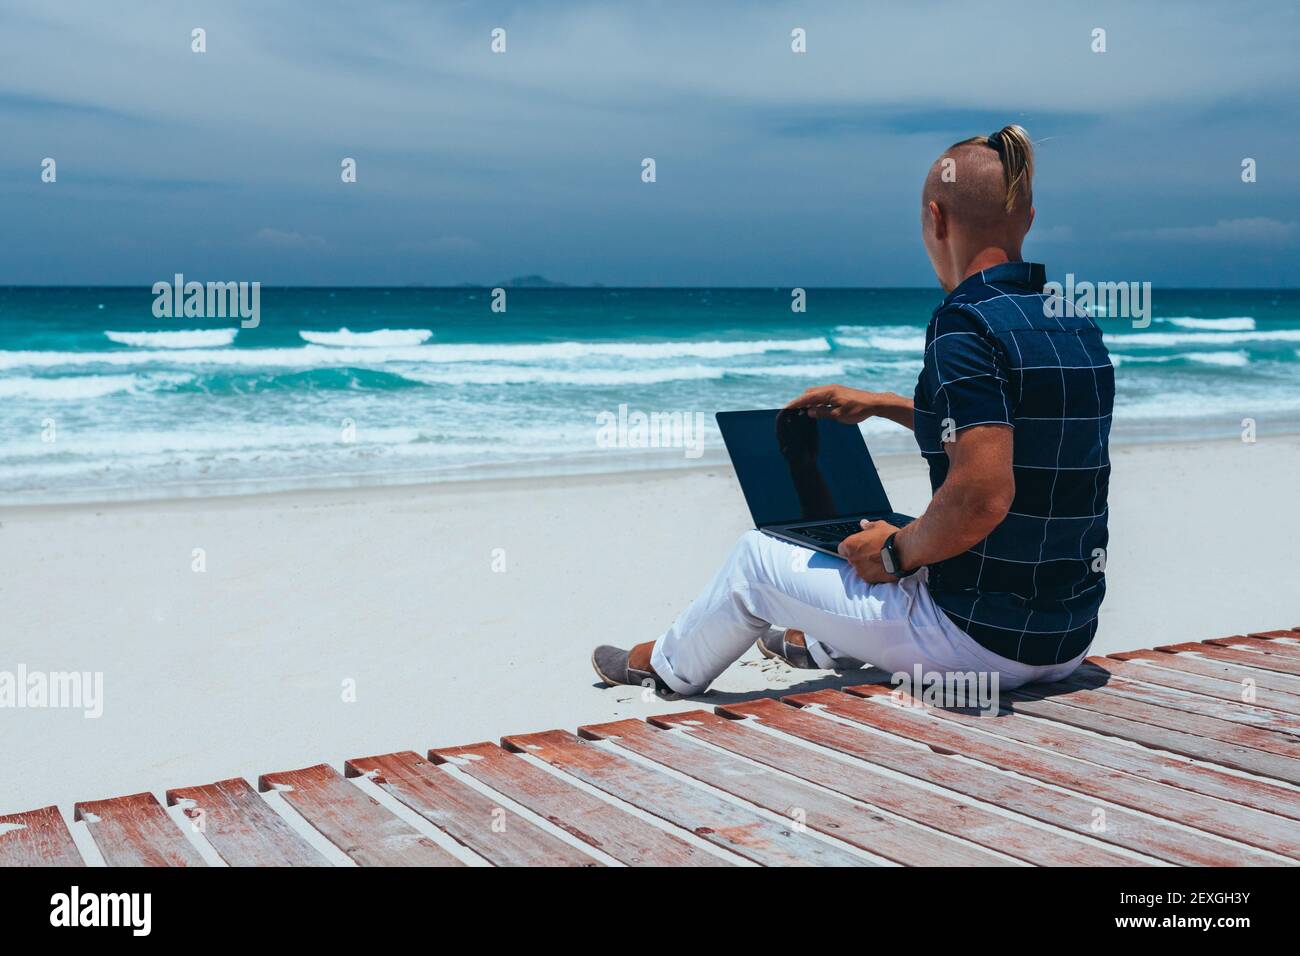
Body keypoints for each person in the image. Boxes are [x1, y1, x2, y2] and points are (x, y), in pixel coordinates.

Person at [592, 125, 1113, 696]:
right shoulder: (1073, 322)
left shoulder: (963, 323)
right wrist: (883, 405)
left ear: (935, 220)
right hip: (1063, 640)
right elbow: (1012, 430)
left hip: (977, 645)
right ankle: (816, 643)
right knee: (900, 537)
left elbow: (982, 496)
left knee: (756, 562)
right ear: (1029, 220)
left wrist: (894, 553)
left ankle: (665, 666)